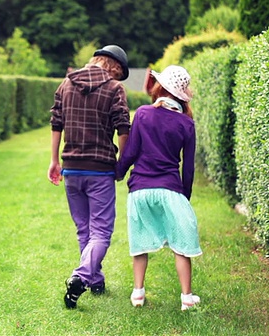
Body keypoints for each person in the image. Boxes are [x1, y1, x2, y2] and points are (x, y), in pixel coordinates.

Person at [48, 45, 131, 309]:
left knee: (84, 229)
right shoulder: (114, 88)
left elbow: (55, 123)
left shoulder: (66, 84)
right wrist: (122, 162)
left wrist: (53, 161)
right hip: (100, 169)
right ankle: (81, 276)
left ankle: (95, 279)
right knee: (101, 232)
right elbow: (123, 127)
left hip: (71, 167)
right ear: (115, 67)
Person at [115, 65, 202, 311]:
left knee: (140, 243)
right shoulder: (187, 124)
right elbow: (189, 168)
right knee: (181, 245)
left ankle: (138, 294)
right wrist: (184, 196)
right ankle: (186, 297)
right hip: (170, 190)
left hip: (140, 190)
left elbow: (130, 151)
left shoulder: (142, 114)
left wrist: (118, 173)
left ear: (160, 87)